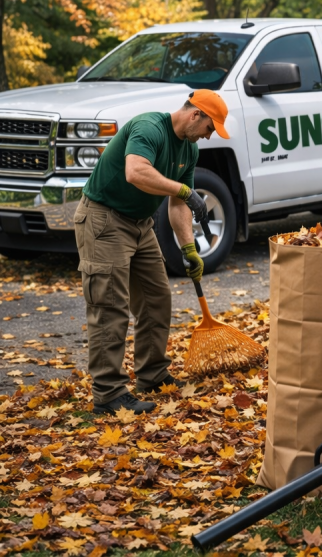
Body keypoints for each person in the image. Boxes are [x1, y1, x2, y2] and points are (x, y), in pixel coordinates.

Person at [75, 90, 231, 415]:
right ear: (195, 115)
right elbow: (136, 172)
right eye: (209, 128)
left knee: (156, 298)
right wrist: (185, 190)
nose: (209, 135)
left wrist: (189, 248)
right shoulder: (150, 128)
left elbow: (178, 204)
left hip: (140, 225)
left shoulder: (189, 149)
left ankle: (152, 374)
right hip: (105, 219)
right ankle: (108, 393)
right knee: (110, 306)